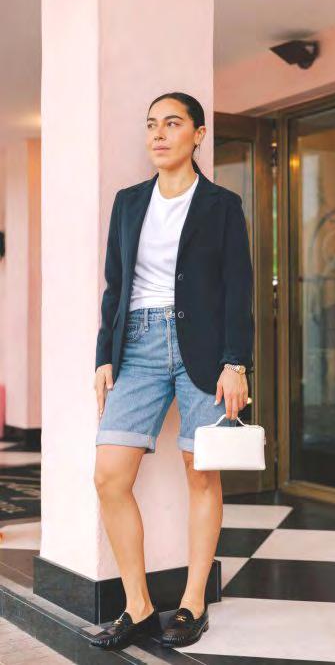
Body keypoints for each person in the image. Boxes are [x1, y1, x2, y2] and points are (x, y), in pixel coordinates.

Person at [90, 92, 254, 651]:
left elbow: (238, 288)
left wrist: (236, 362)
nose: (158, 134)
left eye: (172, 123)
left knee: (200, 472)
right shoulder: (129, 202)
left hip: (203, 350)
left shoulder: (221, 205)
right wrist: (104, 356)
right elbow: (115, 285)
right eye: (151, 125)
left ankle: (192, 602)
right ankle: (137, 606)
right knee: (109, 476)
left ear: (198, 134)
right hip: (137, 344)